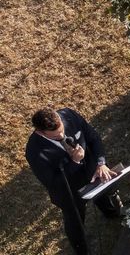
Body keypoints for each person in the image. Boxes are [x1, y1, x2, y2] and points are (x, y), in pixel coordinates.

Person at [25, 107, 120, 255]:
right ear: (40, 132)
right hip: (70, 193)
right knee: (76, 224)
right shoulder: (34, 152)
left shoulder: (69, 115)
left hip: (93, 172)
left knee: (103, 197)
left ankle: (111, 212)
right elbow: (53, 183)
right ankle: (81, 250)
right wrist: (74, 162)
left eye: (62, 129)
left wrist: (101, 163)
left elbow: (93, 137)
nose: (62, 135)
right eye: (56, 136)